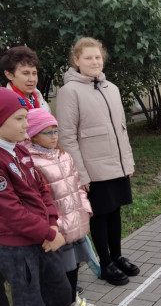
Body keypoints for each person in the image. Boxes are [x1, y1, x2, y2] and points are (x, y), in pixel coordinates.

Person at [0, 87, 87, 306]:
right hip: (17, 247)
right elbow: (10, 211)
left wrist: (51, 223)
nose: (26, 125)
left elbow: (41, 190)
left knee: (60, 292)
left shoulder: (20, 149)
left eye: (26, 118)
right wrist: (46, 233)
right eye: (20, 119)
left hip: (42, 238)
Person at [56, 37, 139, 286]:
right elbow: (68, 138)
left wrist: (128, 163)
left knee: (116, 213)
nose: (94, 62)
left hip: (117, 166)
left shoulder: (111, 88)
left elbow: (121, 130)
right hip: (93, 170)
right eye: (88, 57)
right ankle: (105, 265)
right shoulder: (69, 92)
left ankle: (117, 256)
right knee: (100, 217)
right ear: (76, 61)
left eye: (98, 57)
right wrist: (80, 175)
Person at [25, 109, 98, 306]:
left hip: (76, 222)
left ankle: (72, 300)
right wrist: (50, 225)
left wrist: (85, 208)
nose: (54, 136)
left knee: (74, 265)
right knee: (59, 271)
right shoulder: (32, 162)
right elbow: (37, 199)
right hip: (57, 228)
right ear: (33, 135)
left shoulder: (64, 155)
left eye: (56, 131)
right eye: (47, 133)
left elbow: (77, 186)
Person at [0, 46, 51, 111]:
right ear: (9, 75)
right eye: (25, 73)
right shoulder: (4, 104)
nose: (32, 79)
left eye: (34, 73)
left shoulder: (40, 101)